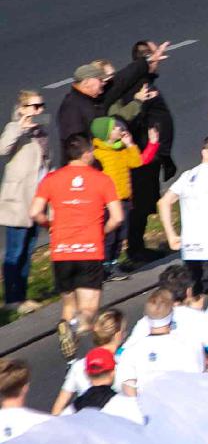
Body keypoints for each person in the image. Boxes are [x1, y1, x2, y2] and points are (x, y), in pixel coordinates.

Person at [34, 133, 120, 358]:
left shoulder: (51, 179)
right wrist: (101, 232)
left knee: (69, 306)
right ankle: (72, 329)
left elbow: (35, 212)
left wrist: (50, 225)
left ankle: (70, 357)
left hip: (61, 251)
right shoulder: (102, 179)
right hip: (89, 250)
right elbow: (117, 217)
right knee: (89, 311)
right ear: (87, 153)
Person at [1, 91, 55, 312]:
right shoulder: (15, 130)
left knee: (27, 250)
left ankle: (21, 296)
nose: (39, 110)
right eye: (34, 106)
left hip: (37, 200)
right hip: (18, 201)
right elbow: (2, 148)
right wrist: (19, 127)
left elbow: (46, 163)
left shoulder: (39, 132)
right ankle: (12, 299)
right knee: (15, 251)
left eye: (41, 106)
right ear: (22, 108)